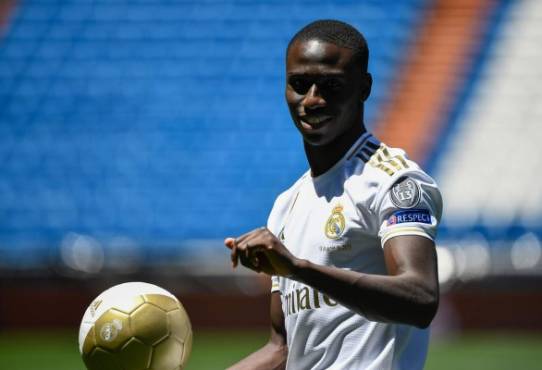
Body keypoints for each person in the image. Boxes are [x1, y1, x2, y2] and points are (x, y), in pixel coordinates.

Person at [224, 19, 442, 370]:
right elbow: (282, 349)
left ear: (364, 87)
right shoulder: (286, 205)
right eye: (299, 84)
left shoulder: (394, 181)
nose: (311, 99)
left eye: (330, 85)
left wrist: (298, 269)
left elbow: (420, 299)